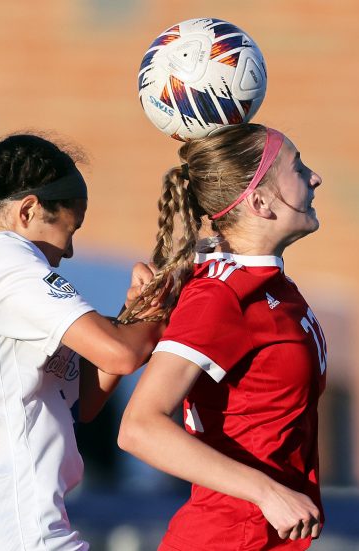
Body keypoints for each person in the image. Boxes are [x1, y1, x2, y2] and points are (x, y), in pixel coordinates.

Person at [0, 132, 165, 551]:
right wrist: (164, 307)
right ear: (28, 210)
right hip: (16, 537)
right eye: (69, 229)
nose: (70, 251)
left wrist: (134, 317)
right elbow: (123, 353)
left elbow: (81, 402)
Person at [118, 123, 327, 550]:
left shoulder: (265, 284)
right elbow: (139, 428)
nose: (314, 177)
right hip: (227, 538)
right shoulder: (221, 294)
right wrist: (268, 493)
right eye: (298, 166)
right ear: (260, 201)